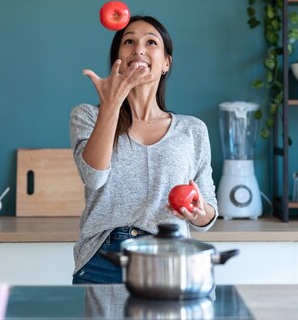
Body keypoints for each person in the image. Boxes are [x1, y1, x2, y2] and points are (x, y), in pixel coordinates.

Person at [69, 15, 218, 284]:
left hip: (171, 258)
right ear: (117, 59)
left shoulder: (192, 130)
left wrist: (198, 210)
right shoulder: (88, 116)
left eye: (151, 42)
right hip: (103, 258)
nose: (138, 49)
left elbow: (207, 215)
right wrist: (112, 103)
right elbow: (94, 177)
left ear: (166, 63)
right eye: (129, 41)